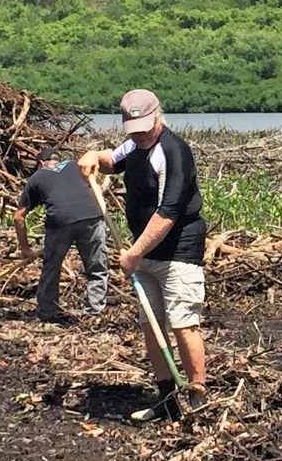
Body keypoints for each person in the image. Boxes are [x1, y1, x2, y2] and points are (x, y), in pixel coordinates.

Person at [77, 89, 207, 422]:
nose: (141, 134)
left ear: (158, 117)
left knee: (183, 324)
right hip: (145, 253)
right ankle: (167, 401)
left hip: (178, 250)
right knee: (152, 326)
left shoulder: (173, 152)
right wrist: (94, 155)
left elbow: (168, 212)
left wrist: (133, 254)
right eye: (134, 129)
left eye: (146, 127)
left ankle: (198, 401)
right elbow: (111, 160)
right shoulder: (134, 145)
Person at [14, 146, 108, 321]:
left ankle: (46, 314)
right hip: (92, 217)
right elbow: (98, 189)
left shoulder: (37, 177)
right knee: (96, 268)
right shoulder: (77, 165)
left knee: (52, 268)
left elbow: (19, 216)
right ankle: (95, 314)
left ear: (41, 163)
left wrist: (25, 248)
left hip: (60, 221)